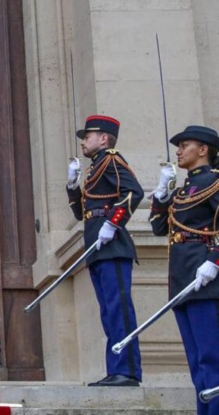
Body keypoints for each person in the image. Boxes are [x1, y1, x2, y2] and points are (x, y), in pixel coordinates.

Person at [66, 115, 143, 387]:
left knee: (119, 309)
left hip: (113, 245)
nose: (84, 142)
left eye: (88, 136)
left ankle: (128, 370)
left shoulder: (111, 160)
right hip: (97, 247)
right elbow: (81, 214)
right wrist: (73, 187)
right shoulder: (95, 167)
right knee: (108, 313)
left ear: (103, 138)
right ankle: (116, 368)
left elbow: (134, 192)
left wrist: (113, 222)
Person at [149, 125, 219, 414]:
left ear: (203, 150)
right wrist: (162, 195)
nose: (178, 151)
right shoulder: (181, 190)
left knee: (211, 357)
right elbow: (158, 227)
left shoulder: (215, 183)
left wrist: (214, 262)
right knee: (195, 361)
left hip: (206, 279)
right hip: (182, 279)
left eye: (184, 145)